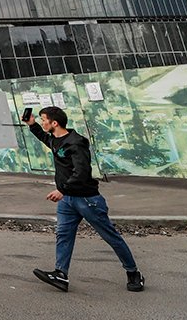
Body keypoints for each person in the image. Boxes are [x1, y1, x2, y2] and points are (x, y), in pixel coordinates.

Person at [22, 106, 145, 293]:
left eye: (43, 119)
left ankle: (133, 273)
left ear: (54, 123)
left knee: (110, 236)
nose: (42, 122)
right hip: (68, 201)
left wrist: (62, 190)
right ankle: (60, 274)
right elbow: (45, 138)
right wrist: (32, 125)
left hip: (87, 200)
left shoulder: (76, 143)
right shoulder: (56, 139)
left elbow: (82, 172)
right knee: (63, 235)